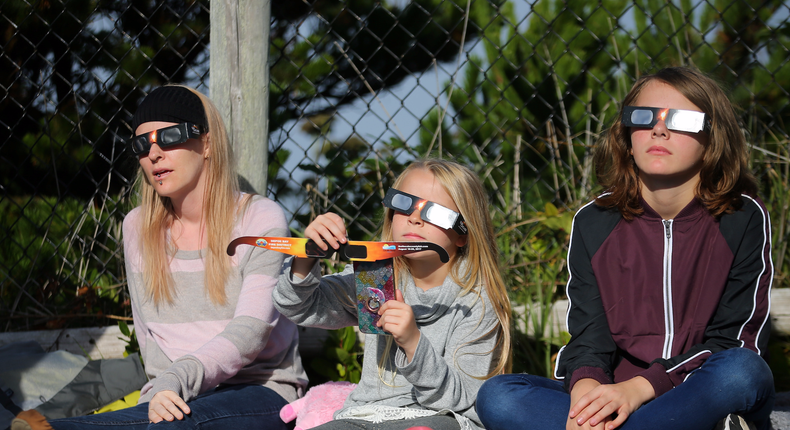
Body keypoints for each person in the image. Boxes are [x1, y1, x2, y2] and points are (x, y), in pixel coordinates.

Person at [475, 67, 775, 430]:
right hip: (616, 395)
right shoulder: (594, 221)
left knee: (742, 371)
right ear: (626, 135)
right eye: (643, 116)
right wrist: (587, 398)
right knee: (499, 395)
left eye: (680, 119)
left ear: (713, 136)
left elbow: (734, 341)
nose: (659, 129)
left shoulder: (742, 217)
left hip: (695, 387)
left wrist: (641, 389)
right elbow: (589, 337)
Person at [41, 85, 308, 430]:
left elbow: (250, 334)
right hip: (177, 394)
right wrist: (159, 394)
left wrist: (175, 381)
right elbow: (150, 340)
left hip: (262, 391)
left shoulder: (259, 218)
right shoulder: (138, 228)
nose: (153, 153)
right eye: (141, 144)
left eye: (168, 136)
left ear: (207, 143)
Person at [273, 159, 512, 430]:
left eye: (435, 212)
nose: (415, 217)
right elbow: (297, 307)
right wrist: (307, 255)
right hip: (367, 414)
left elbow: (459, 399)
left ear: (463, 234)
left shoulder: (475, 301)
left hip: (442, 418)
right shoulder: (375, 277)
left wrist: (413, 343)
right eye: (404, 203)